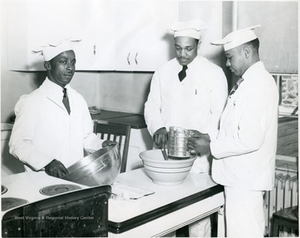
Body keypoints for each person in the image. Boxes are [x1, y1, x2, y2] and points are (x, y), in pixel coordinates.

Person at [188, 25, 279, 237]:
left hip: (245, 182)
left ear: (247, 52)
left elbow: (249, 139)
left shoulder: (260, 85)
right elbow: (234, 128)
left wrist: (210, 147)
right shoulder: (248, 83)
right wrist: (210, 137)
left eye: (230, 57)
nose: (227, 63)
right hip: (238, 179)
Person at [144, 20, 228, 237]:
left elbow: (219, 114)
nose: (183, 54)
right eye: (178, 48)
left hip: (198, 160)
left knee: (197, 220)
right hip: (167, 160)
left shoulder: (214, 73)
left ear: (198, 45)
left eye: (188, 48)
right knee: (165, 216)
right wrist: (158, 128)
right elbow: (151, 106)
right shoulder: (163, 72)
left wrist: (207, 139)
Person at [9, 39, 113, 178]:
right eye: (63, 62)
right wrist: (47, 163)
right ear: (48, 65)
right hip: (42, 179)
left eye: (73, 62)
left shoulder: (78, 100)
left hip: (74, 177)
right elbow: (18, 143)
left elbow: (86, 137)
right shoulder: (32, 102)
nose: (70, 68)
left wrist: (101, 144)